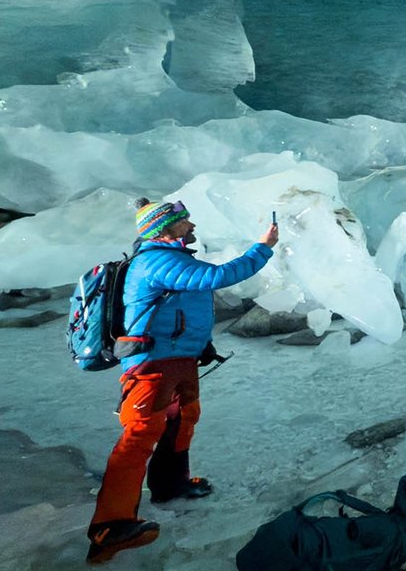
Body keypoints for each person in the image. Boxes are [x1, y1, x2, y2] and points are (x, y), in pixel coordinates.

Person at [86, 198, 278, 564]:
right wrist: (263, 248)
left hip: (179, 359)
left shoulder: (173, 257)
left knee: (182, 419)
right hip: (152, 363)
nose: (191, 227)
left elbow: (186, 303)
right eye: (184, 222)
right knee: (139, 435)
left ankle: (171, 485)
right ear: (164, 229)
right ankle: (109, 527)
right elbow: (215, 277)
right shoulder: (156, 260)